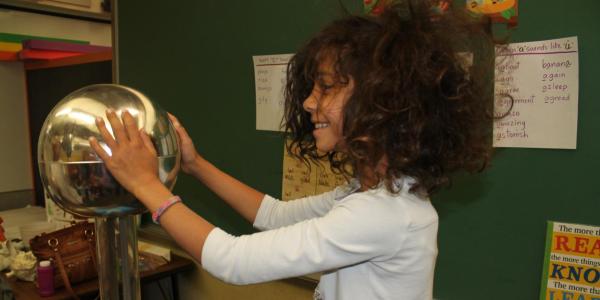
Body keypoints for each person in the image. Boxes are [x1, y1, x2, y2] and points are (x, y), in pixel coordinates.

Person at [89, 1, 496, 299]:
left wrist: (146, 185)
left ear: (379, 102)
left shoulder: (385, 214)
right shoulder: (374, 193)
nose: (308, 102)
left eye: (326, 86)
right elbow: (274, 215)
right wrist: (196, 166)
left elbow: (233, 261)